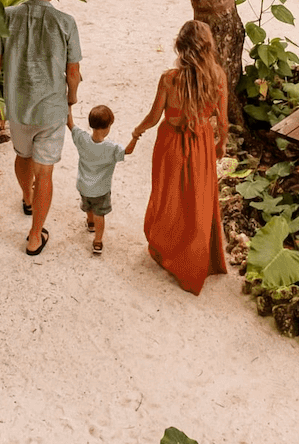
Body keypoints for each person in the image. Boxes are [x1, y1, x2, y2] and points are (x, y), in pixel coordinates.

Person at [0, 0, 81, 256]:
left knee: (22, 154)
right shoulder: (65, 22)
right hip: (51, 108)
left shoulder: (7, 16)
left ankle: (27, 197)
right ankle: (35, 237)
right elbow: (73, 73)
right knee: (45, 173)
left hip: (18, 105)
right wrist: (71, 98)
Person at [131, 20, 229, 296]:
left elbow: (154, 116)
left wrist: (137, 132)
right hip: (201, 142)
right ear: (207, 47)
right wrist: (221, 144)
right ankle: (196, 256)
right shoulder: (218, 77)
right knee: (197, 199)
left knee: (169, 197)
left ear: (180, 46)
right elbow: (223, 120)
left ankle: (169, 248)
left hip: (171, 142)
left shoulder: (169, 79)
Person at [66, 105, 135, 255]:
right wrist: (135, 137)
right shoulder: (112, 148)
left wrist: (68, 106)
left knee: (88, 206)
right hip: (101, 190)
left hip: (83, 186)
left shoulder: (82, 138)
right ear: (108, 127)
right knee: (100, 214)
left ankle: (90, 223)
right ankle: (97, 241)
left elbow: (70, 123)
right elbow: (128, 151)